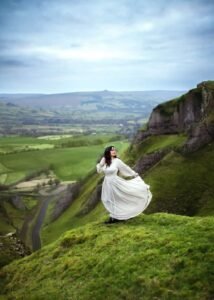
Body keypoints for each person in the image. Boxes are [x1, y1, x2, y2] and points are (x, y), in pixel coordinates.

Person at [96, 145, 152, 224]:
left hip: (115, 182)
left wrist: (134, 174)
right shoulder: (106, 161)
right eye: (112, 150)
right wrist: (101, 163)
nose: (114, 151)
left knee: (116, 199)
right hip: (107, 183)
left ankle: (115, 217)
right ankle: (116, 216)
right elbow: (99, 171)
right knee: (107, 199)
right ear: (108, 152)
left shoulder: (117, 161)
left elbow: (126, 168)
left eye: (115, 150)